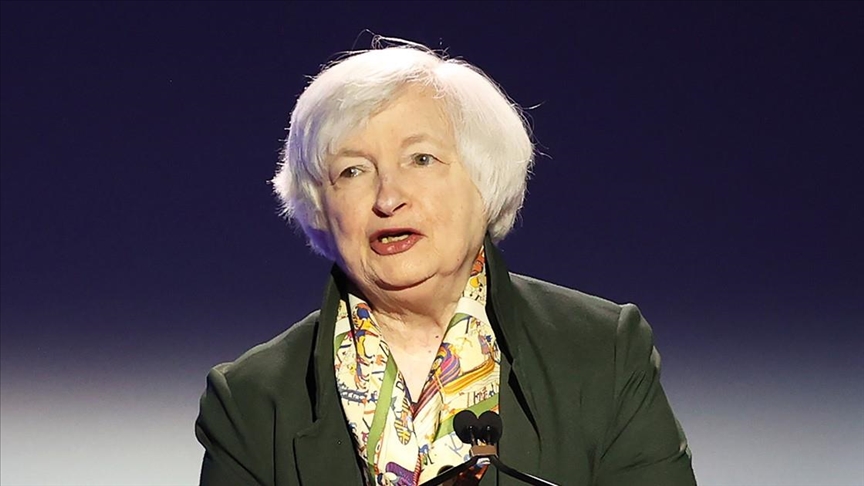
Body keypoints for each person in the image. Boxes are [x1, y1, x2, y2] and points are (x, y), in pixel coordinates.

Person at [195, 39, 696, 486]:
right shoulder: (251, 402)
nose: (388, 198)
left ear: (485, 180)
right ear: (319, 207)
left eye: (421, 159)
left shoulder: (603, 352)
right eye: (352, 171)